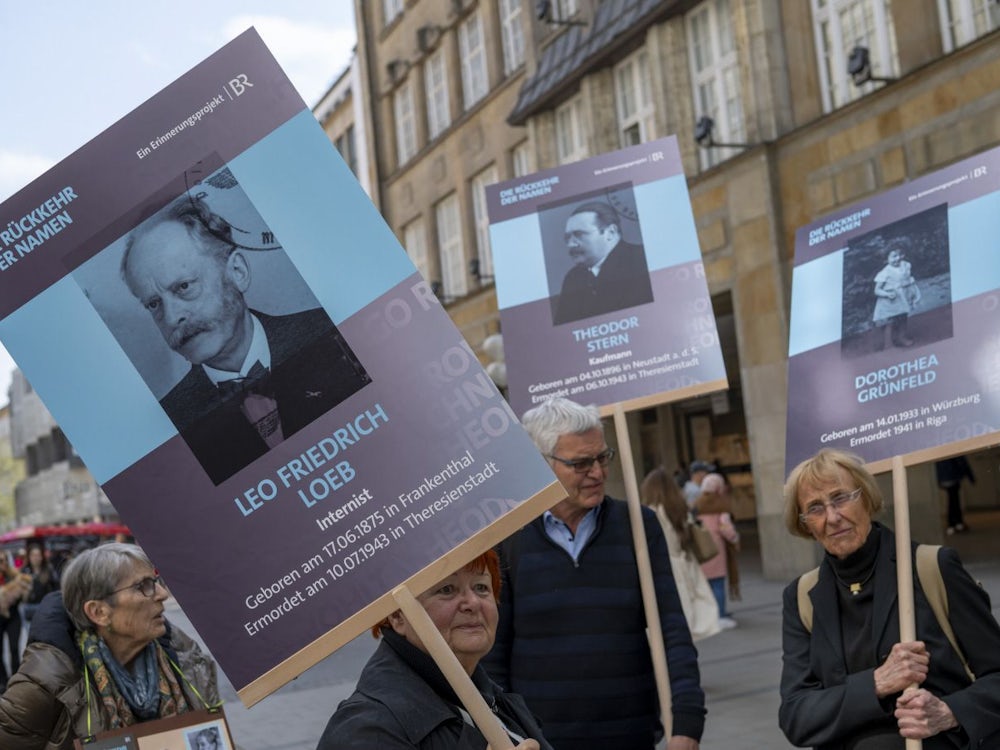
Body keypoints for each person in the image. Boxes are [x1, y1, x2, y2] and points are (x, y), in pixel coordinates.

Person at [484, 398, 705, 750]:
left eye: (603, 457)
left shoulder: (638, 526)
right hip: (542, 741)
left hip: (631, 736)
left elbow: (671, 632)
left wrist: (686, 724)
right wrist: (505, 733)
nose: (599, 473)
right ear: (542, 463)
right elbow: (492, 654)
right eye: (581, 463)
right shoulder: (507, 538)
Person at [121, 194, 371, 484]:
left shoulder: (333, 334)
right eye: (153, 304)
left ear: (237, 272)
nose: (172, 316)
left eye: (184, 286)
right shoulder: (169, 424)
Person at [779, 448, 1000, 749]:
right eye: (815, 508)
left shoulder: (932, 567)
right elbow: (796, 717)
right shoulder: (802, 597)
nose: (832, 517)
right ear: (805, 523)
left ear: (867, 498)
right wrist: (877, 683)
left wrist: (949, 713)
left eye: (841, 497)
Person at [317, 550, 550, 750]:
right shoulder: (365, 729)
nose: (473, 603)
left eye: (481, 587)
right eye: (447, 589)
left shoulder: (492, 698)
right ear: (397, 616)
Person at [0, 543, 220, 747]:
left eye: (155, 581)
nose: (162, 594)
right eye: (143, 586)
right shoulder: (46, 685)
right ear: (99, 612)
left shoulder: (184, 654)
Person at [641, 466, 721, 642]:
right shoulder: (680, 509)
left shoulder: (650, 513)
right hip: (686, 563)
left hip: (665, 567)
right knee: (690, 610)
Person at [551, 201, 654, 325]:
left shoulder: (645, 260)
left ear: (610, 232)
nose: (571, 244)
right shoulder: (573, 278)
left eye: (579, 234)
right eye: (568, 237)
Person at [694, 473, 740, 630]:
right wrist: (734, 538)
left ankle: (710, 615)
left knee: (706, 585)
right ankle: (720, 615)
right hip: (716, 550)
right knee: (718, 584)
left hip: (701, 549)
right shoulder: (721, 504)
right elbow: (725, 527)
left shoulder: (696, 504)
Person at [871, 242, 920, 349]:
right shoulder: (885, 272)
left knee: (903, 317)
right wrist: (887, 294)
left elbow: (907, 279)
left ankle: (902, 338)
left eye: (900, 255)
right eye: (894, 256)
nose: (897, 258)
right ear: (886, 258)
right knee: (890, 322)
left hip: (902, 297)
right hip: (890, 301)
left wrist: (912, 291)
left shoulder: (905, 265)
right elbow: (877, 290)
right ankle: (888, 344)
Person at [0, 555, 30, 693]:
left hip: (13, 616)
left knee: (14, 648)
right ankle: (3, 681)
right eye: (0, 560)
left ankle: (16, 680)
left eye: (5, 560)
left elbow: (23, 594)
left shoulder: (15, 576)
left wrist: (12, 594)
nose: (3, 563)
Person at [934, 455, 974, 535]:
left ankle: (956, 523)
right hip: (952, 477)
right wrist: (970, 476)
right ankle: (954, 524)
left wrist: (940, 480)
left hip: (945, 478)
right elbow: (962, 462)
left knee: (953, 500)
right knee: (954, 501)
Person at [20, 543, 59, 625]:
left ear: (42, 556)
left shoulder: (48, 570)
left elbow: (56, 588)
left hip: (44, 607)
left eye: (38, 555)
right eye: (33, 555)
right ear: (29, 557)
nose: (35, 558)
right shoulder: (24, 571)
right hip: (28, 607)